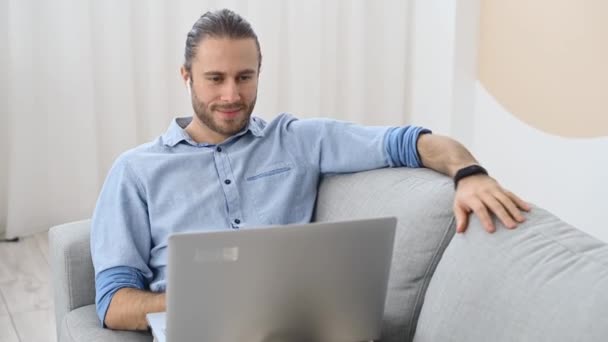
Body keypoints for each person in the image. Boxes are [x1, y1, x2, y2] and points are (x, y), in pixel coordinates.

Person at [91, 8, 530, 331]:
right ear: (186, 76)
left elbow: (411, 143)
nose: (231, 94)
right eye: (215, 78)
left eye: (245, 77)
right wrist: (197, 304)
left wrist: (470, 173)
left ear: (260, 74)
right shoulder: (135, 171)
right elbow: (113, 304)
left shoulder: (297, 140)